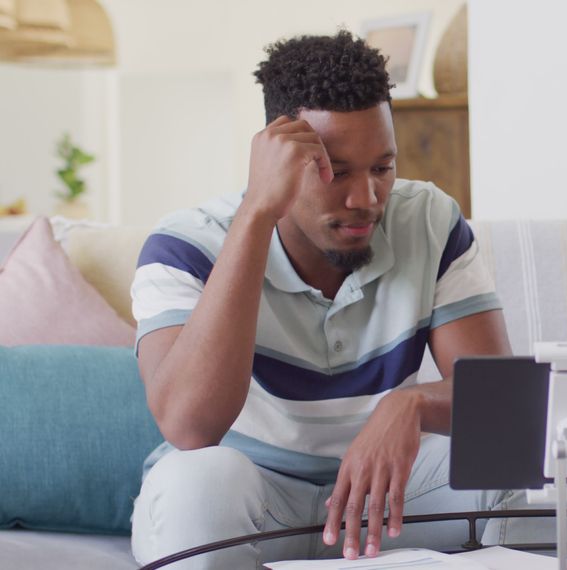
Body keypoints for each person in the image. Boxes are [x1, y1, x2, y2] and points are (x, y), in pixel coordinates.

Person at [130, 31, 514, 568]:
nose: (366, 200)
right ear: (275, 157)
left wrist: (412, 402)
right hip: (248, 504)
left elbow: (505, 402)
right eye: (332, 170)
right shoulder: (184, 245)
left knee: (523, 466)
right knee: (197, 483)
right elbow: (190, 427)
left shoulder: (428, 220)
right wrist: (256, 216)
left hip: (389, 497)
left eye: (382, 168)